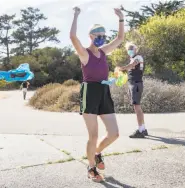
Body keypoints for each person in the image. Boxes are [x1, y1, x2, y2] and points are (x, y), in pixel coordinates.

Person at [70, 7, 124, 182]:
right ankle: (91, 167)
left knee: (114, 133)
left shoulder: (104, 52)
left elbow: (120, 38)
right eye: (98, 35)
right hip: (90, 92)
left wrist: (121, 18)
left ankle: (97, 153)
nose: (102, 38)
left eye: (103, 35)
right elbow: (72, 37)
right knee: (93, 135)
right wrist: (76, 14)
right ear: (91, 36)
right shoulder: (84, 53)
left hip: (104, 91)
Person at [117, 42, 148, 138]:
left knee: (137, 107)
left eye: (131, 49)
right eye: (128, 49)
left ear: (135, 49)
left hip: (136, 84)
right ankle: (143, 129)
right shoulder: (133, 58)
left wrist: (121, 68)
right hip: (133, 84)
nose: (130, 51)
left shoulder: (138, 58)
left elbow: (131, 66)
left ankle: (140, 130)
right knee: (137, 107)